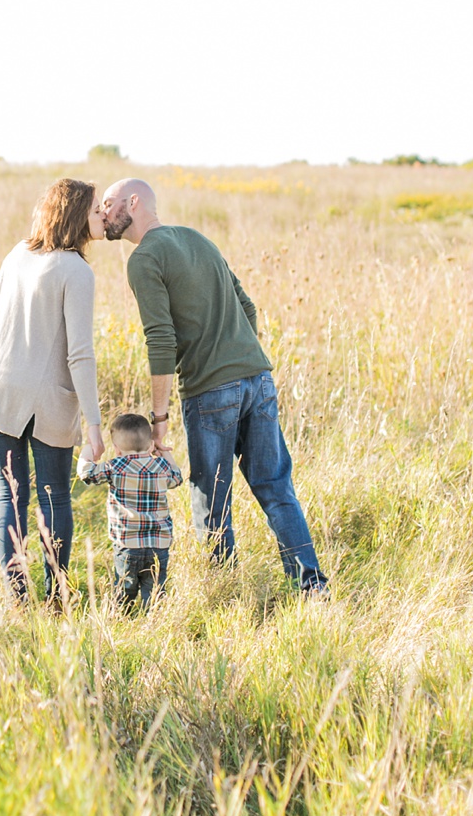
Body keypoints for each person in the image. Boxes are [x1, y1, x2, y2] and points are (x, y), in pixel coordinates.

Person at [102, 178, 328, 596]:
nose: (103, 212)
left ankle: (223, 592)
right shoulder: (196, 239)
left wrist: (159, 418)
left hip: (210, 390)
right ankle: (312, 587)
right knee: (276, 488)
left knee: (211, 495)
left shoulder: (143, 258)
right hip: (257, 378)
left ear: (134, 203)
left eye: (109, 203)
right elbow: (247, 306)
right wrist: (239, 355)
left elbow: (161, 339)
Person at [0, 178, 106, 603]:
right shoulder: (76, 271)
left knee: (10, 496)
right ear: (78, 214)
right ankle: (57, 596)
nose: (102, 215)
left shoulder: (17, 254)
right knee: (54, 496)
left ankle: (18, 600)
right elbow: (80, 354)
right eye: (96, 208)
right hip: (41, 400)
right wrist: (94, 424)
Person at [77, 412, 183, 607]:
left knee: (124, 589)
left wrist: (87, 450)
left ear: (117, 449)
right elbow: (177, 477)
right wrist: (164, 451)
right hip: (159, 545)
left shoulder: (115, 466)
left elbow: (86, 473)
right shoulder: (161, 466)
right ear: (151, 445)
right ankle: (155, 620)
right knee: (155, 591)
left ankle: (120, 617)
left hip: (127, 544)